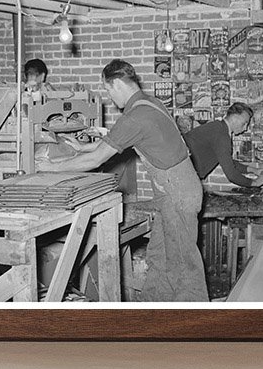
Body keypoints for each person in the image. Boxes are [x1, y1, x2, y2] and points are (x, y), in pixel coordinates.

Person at [37, 59, 208, 302]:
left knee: (183, 264)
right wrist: (80, 147)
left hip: (178, 194)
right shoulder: (149, 103)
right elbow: (114, 142)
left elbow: (96, 159)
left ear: (117, 83)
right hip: (175, 190)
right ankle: (152, 308)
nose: (109, 97)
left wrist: (51, 168)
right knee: (160, 256)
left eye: (108, 90)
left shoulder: (136, 116)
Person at [184, 103, 263, 191]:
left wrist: (253, 170)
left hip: (183, 172)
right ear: (234, 117)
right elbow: (231, 175)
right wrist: (255, 183)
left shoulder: (219, 128)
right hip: (182, 173)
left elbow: (227, 161)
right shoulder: (222, 135)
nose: (245, 128)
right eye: (245, 123)